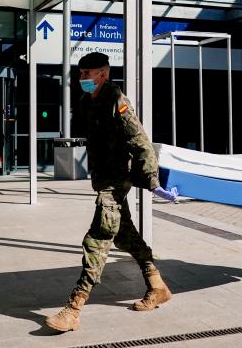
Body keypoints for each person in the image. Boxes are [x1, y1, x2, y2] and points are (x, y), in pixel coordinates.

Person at [45, 52, 178, 333]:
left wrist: (152, 182)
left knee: (99, 236)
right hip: (103, 178)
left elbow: (141, 142)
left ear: (102, 74)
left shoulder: (118, 101)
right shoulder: (85, 101)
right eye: (80, 73)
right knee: (125, 236)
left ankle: (74, 308)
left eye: (86, 74)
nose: (81, 79)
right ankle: (157, 286)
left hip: (117, 181)